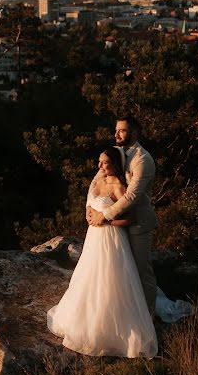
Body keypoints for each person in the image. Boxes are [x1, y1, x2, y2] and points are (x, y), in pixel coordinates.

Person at [47, 147, 158, 357]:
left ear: (114, 164)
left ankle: (109, 327)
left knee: (110, 279)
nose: (100, 166)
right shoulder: (98, 181)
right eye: (99, 162)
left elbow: (131, 219)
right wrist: (89, 214)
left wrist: (106, 219)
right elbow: (91, 202)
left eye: (104, 163)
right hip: (93, 239)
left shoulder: (118, 186)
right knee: (89, 276)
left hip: (111, 238)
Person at [86, 115, 158, 319]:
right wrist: (89, 207)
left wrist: (104, 216)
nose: (116, 134)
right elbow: (96, 179)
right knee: (118, 272)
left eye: (122, 131)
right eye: (116, 130)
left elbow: (132, 196)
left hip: (137, 224)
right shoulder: (115, 152)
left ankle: (148, 317)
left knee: (141, 271)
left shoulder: (143, 160)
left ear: (134, 133)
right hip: (114, 227)